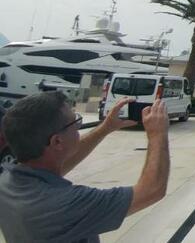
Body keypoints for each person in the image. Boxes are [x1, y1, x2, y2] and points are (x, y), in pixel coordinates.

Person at [0, 93, 170, 242]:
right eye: (75, 122)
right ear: (57, 141)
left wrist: (106, 127)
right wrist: (157, 134)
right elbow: (151, 190)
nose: (78, 127)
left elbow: (59, 161)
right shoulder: (65, 204)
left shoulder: (7, 182)